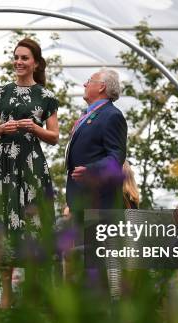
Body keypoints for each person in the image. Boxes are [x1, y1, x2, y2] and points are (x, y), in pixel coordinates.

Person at [0, 38, 59, 308]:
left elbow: (54, 136)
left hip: (32, 166)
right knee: (4, 222)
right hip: (4, 165)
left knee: (34, 223)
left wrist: (34, 129)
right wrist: (3, 129)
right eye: (16, 57)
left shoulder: (46, 97)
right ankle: (4, 296)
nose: (19, 62)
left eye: (25, 58)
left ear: (35, 63)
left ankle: (33, 293)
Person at [66, 68, 128, 217]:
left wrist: (91, 170)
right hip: (82, 200)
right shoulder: (90, 115)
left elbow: (116, 157)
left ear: (101, 87)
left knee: (96, 242)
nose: (84, 84)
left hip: (99, 203)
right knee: (83, 241)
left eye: (89, 81)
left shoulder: (112, 115)